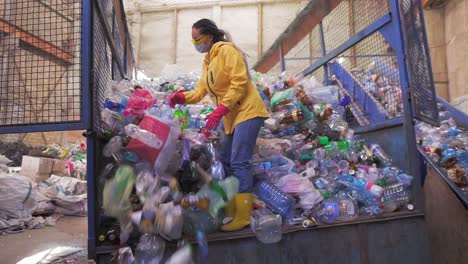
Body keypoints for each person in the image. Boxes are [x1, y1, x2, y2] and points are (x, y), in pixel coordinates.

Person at [167, 18, 269, 231]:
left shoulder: (227, 51)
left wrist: (221, 109)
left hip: (248, 111)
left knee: (240, 161)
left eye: (198, 39)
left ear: (210, 37)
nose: (195, 43)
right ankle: (233, 208)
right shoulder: (209, 61)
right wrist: (181, 98)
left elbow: (240, 82)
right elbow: (199, 92)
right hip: (232, 116)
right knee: (226, 161)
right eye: (193, 39)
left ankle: (244, 216)